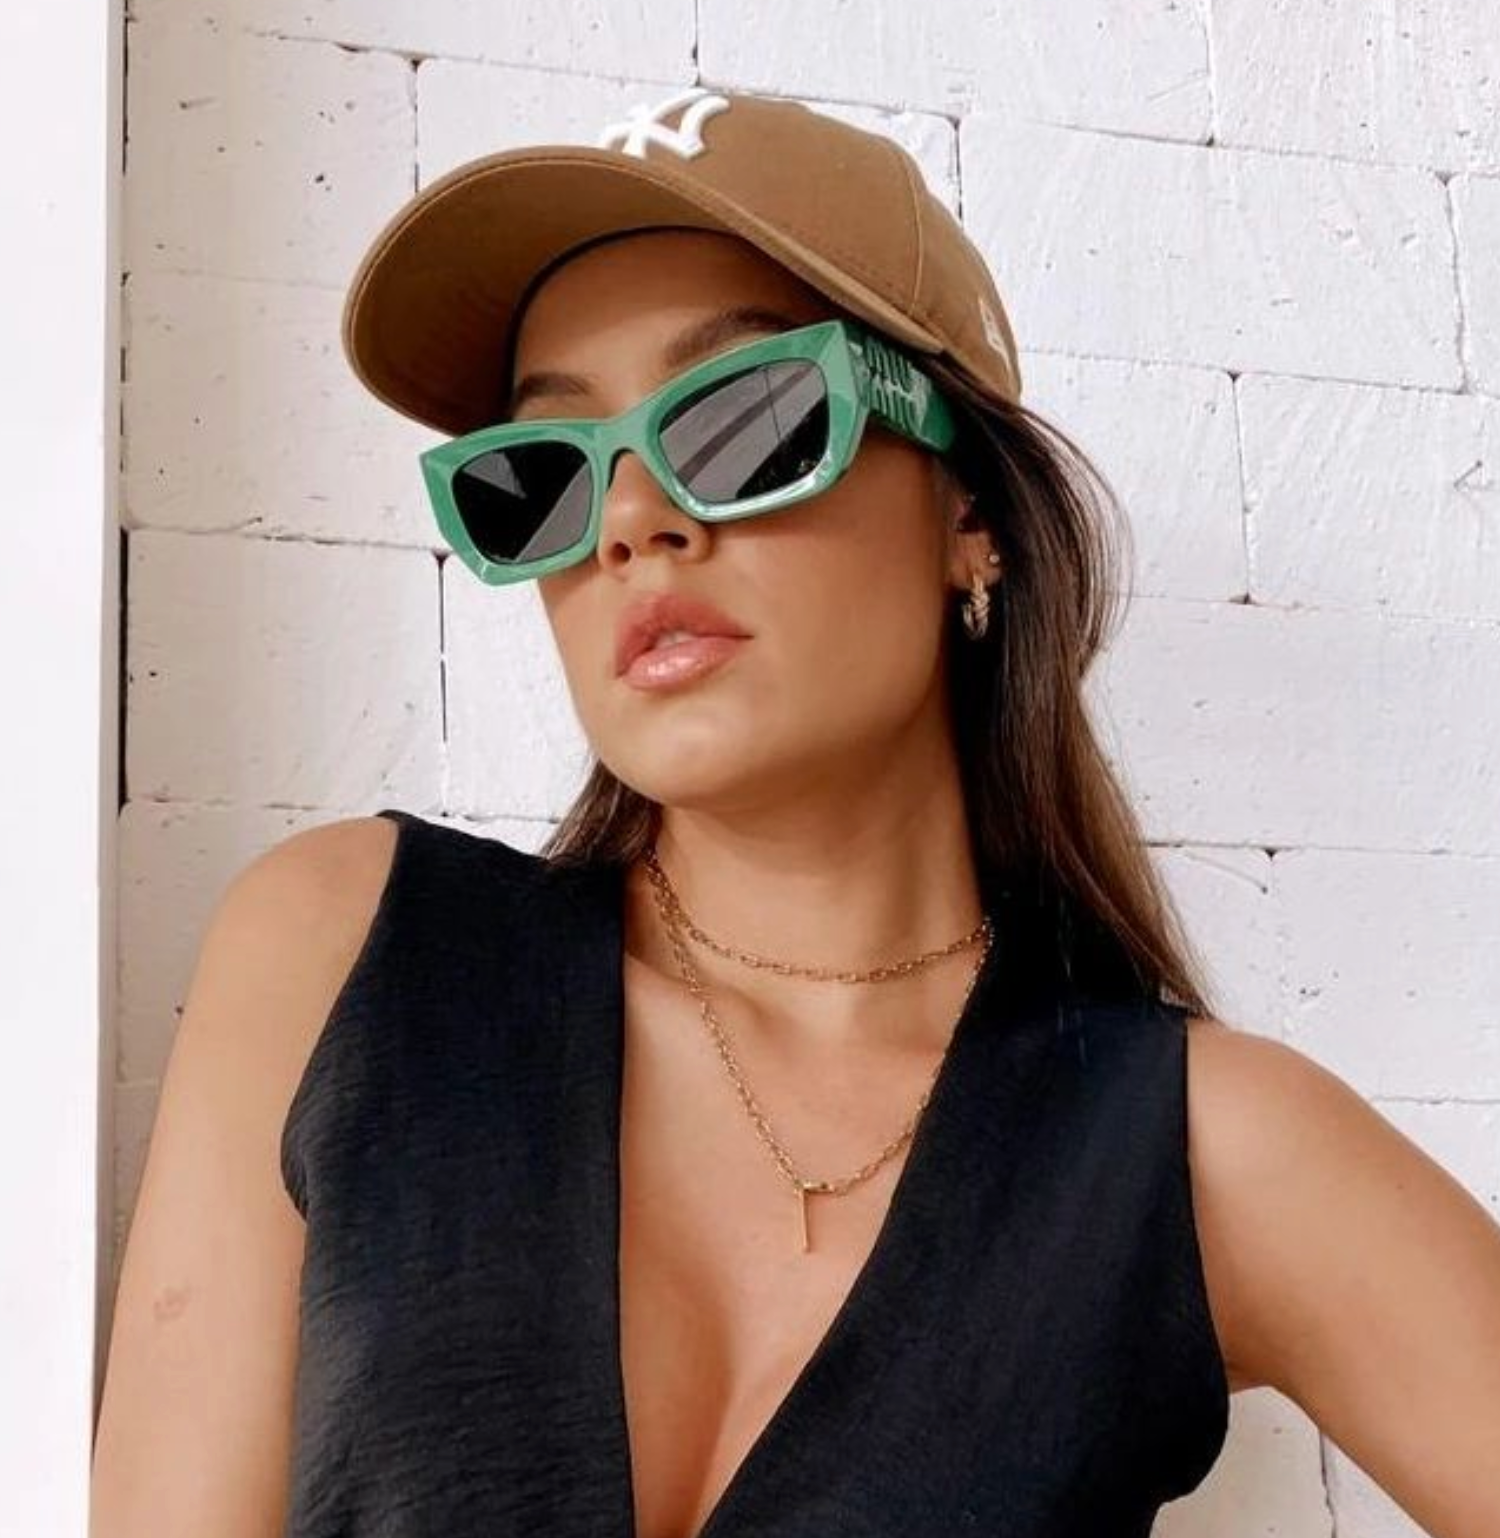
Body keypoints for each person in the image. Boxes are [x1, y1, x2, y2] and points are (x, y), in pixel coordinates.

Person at [90, 88, 1500, 1538]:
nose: (631, 520)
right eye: (542, 476)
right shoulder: (347, 954)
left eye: (745, 420)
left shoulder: (1195, 1151)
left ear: (970, 513)